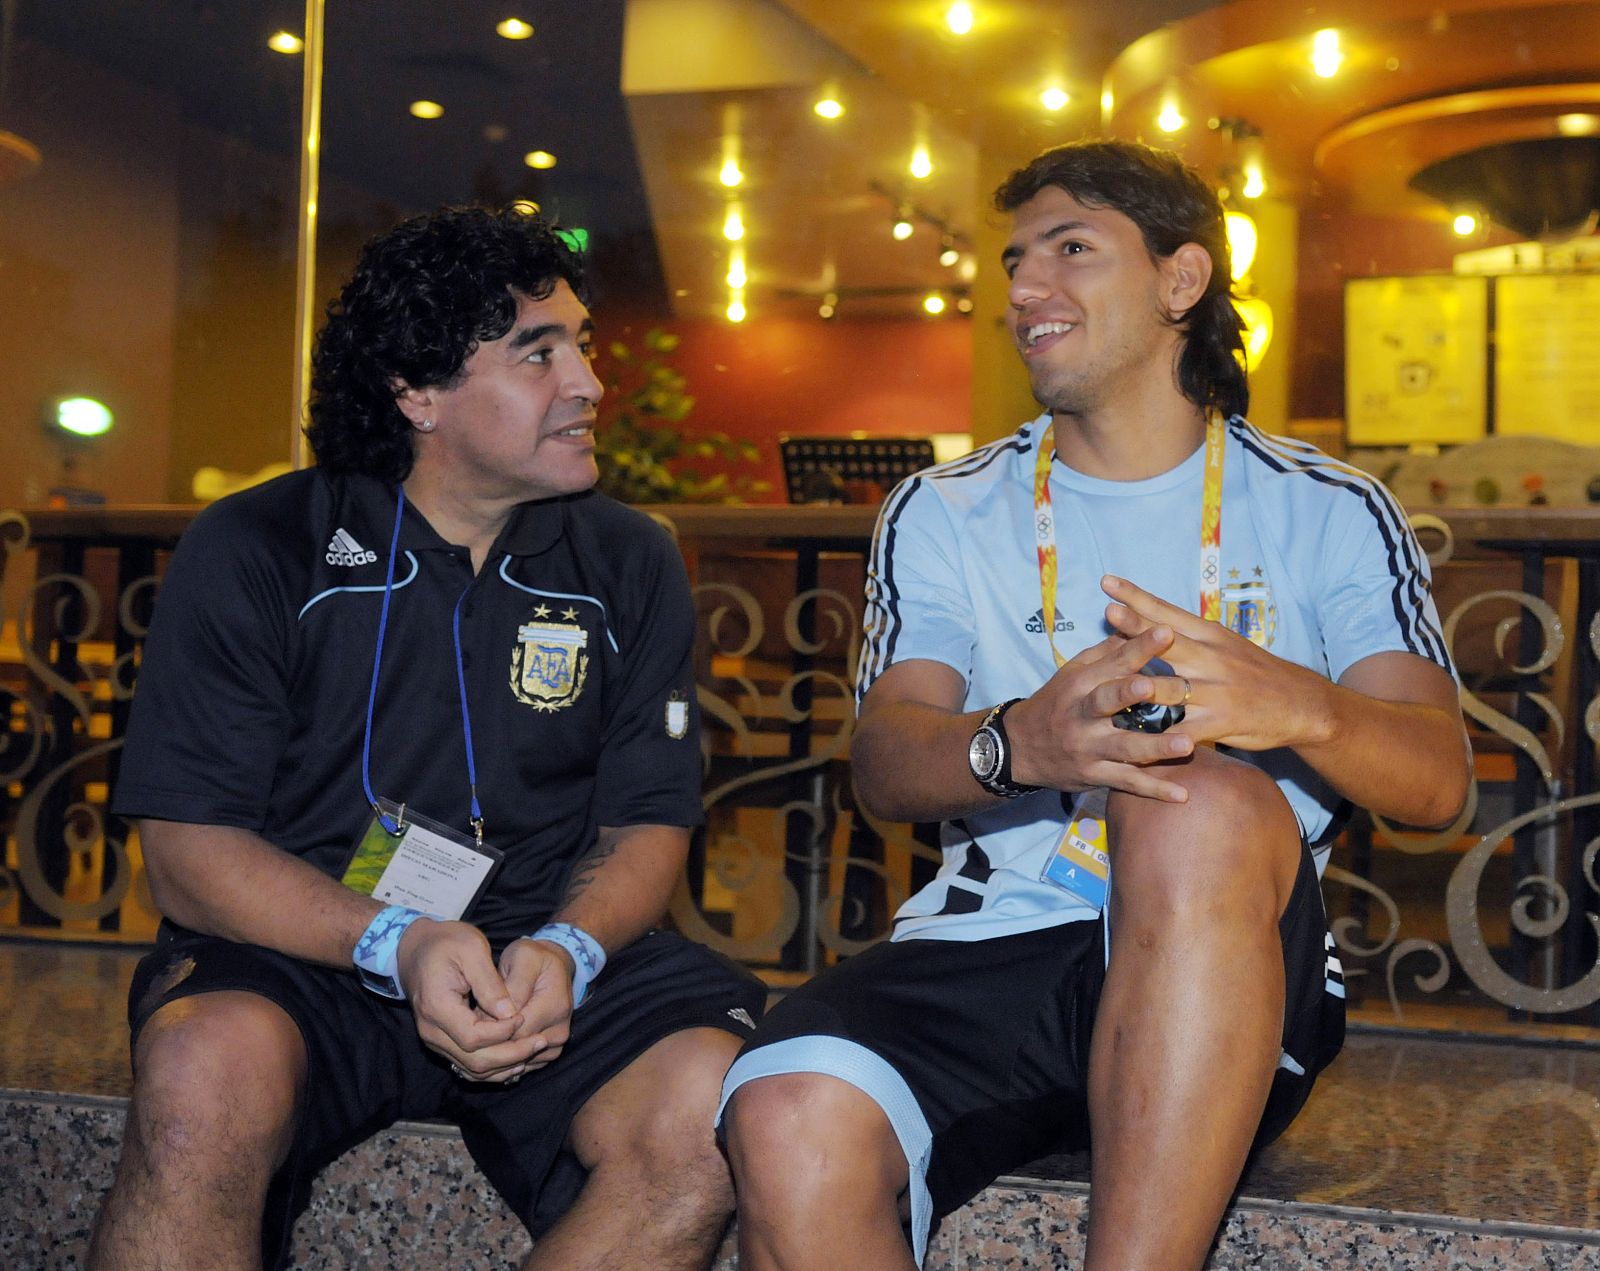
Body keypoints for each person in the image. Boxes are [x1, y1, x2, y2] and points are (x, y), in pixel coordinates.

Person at [720, 140, 1470, 1270]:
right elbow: (884, 758)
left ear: (1181, 279)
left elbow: (1438, 780)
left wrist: (1301, 706)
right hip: (992, 944)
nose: (1026, 287)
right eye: (1016, 260)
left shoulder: (1328, 507)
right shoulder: (941, 507)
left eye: (1071, 248)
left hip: (1225, 963)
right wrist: (1014, 742)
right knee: (784, 1111)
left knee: (1193, 800)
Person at [88, 205, 766, 1271]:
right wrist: (392, 941)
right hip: (309, 948)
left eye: (582, 345)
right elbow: (186, 851)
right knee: (200, 1071)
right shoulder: (259, 545)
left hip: (545, 956)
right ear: (418, 392)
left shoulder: (630, 560)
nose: (588, 383)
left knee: (714, 1105)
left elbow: (647, 823)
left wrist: (571, 947)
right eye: (539, 353)